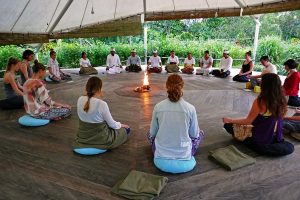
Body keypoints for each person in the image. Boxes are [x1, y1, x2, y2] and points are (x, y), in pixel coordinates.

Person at [223, 73, 294, 156]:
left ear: (265, 85)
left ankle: (250, 142)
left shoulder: (261, 101)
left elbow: (248, 121)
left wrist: (230, 120)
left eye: (261, 81)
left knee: (228, 125)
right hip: (275, 136)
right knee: (289, 147)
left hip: (259, 137)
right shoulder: (282, 99)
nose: (260, 82)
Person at [148, 74, 204, 160]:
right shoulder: (190, 108)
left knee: (148, 133)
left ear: (166, 86)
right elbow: (194, 135)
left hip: (161, 153)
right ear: (182, 86)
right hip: (184, 154)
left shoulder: (158, 107)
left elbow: (152, 133)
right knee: (200, 133)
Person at [74, 77, 130, 150]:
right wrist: (122, 125)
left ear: (87, 87)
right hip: (101, 139)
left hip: (83, 136)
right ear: (99, 88)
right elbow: (112, 124)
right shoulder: (102, 104)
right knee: (127, 130)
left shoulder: (80, 99)